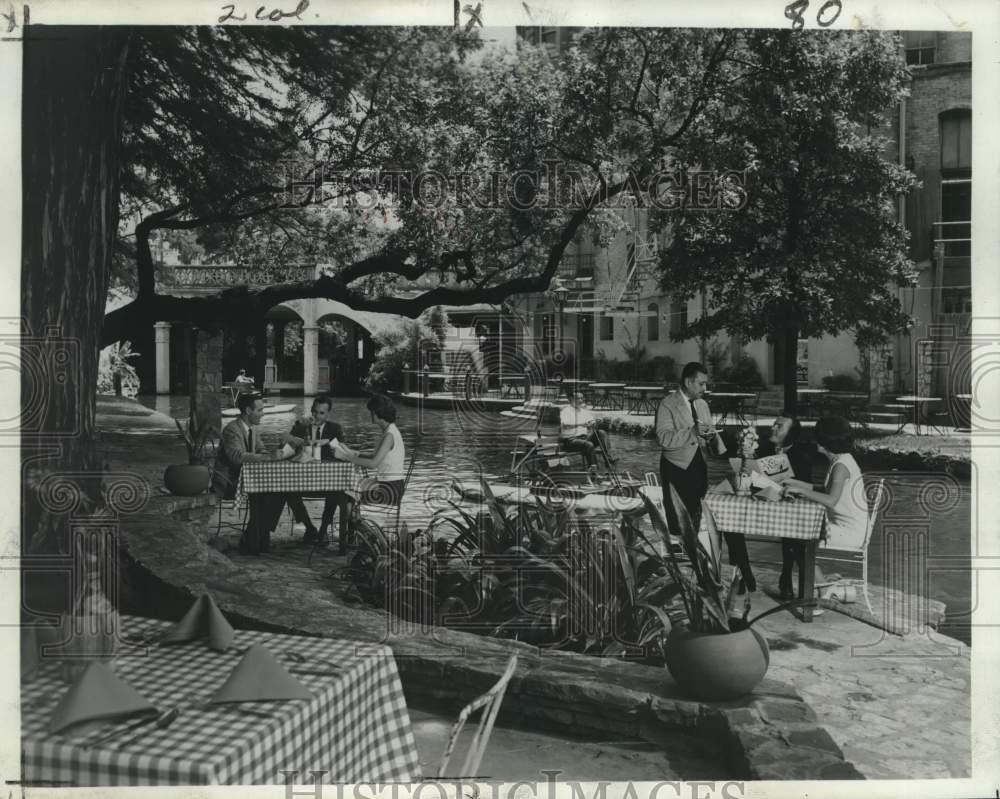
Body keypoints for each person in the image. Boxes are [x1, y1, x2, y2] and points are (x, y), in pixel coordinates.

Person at [655, 362, 756, 588]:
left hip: (699, 464)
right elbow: (663, 438)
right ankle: (685, 574)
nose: (704, 387)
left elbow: (709, 434)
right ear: (688, 382)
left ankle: (704, 572)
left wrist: (713, 440)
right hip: (676, 467)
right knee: (681, 521)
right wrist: (691, 432)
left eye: (705, 383)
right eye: (701, 383)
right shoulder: (667, 404)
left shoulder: (701, 404)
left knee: (702, 516)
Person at [783, 415, 868, 554]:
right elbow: (823, 491)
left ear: (824, 443)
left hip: (847, 533)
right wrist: (794, 483)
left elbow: (831, 500)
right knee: (796, 535)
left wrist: (800, 491)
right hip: (839, 527)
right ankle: (814, 575)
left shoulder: (841, 466)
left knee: (797, 535)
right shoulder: (841, 459)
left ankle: (816, 576)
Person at [213, 392, 284, 555]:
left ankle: (254, 536)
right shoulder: (232, 429)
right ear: (248, 411)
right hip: (230, 481)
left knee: (279, 491)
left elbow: (261, 450)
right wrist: (267, 457)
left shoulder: (254, 429)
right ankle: (256, 539)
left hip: (248, 479)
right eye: (259, 410)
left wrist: (274, 452)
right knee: (265, 494)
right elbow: (236, 457)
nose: (263, 413)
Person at [759, 413, 813, 599]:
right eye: (774, 424)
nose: (773, 428)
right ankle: (744, 574)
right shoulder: (761, 450)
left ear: (792, 434)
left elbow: (806, 491)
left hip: (788, 513)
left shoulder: (802, 457)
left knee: (793, 532)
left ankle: (788, 575)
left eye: (779, 426)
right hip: (761, 508)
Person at [281, 395, 347, 546]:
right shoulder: (301, 426)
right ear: (311, 410)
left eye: (322, 413)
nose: (317, 416)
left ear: (328, 414)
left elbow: (344, 453)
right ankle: (310, 528)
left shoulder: (335, 429)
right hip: (302, 480)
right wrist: (298, 431)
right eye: (315, 412)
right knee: (287, 491)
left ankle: (323, 531)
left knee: (336, 491)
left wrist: (329, 442)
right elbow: (285, 446)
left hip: (326, 481)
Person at [332, 395, 406, 525]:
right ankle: (358, 528)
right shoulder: (390, 431)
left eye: (371, 412)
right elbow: (374, 456)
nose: (370, 415)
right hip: (389, 485)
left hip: (388, 490)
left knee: (345, 494)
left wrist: (344, 456)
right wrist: (356, 453)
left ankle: (356, 530)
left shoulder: (389, 435)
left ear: (377, 413)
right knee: (347, 488)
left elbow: (373, 464)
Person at [559, 389, 616, 470]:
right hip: (570, 441)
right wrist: (580, 424)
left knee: (602, 433)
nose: (581, 400)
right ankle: (594, 471)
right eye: (578, 398)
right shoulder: (566, 411)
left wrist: (595, 423)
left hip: (584, 439)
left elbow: (591, 422)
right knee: (589, 445)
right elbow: (564, 425)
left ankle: (608, 460)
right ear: (571, 399)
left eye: (582, 398)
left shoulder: (584, 411)